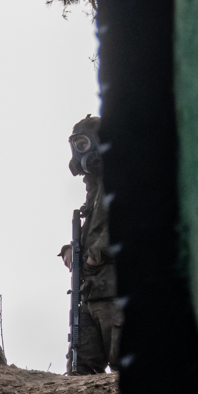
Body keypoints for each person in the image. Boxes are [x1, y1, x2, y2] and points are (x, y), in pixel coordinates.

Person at [63, 114, 122, 372]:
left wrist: (95, 254)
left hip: (114, 290)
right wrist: (71, 250)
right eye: (76, 146)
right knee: (80, 370)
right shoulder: (95, 188)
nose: (80, 153)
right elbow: (95, 227)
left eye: (84, 144)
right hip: (89, 293)